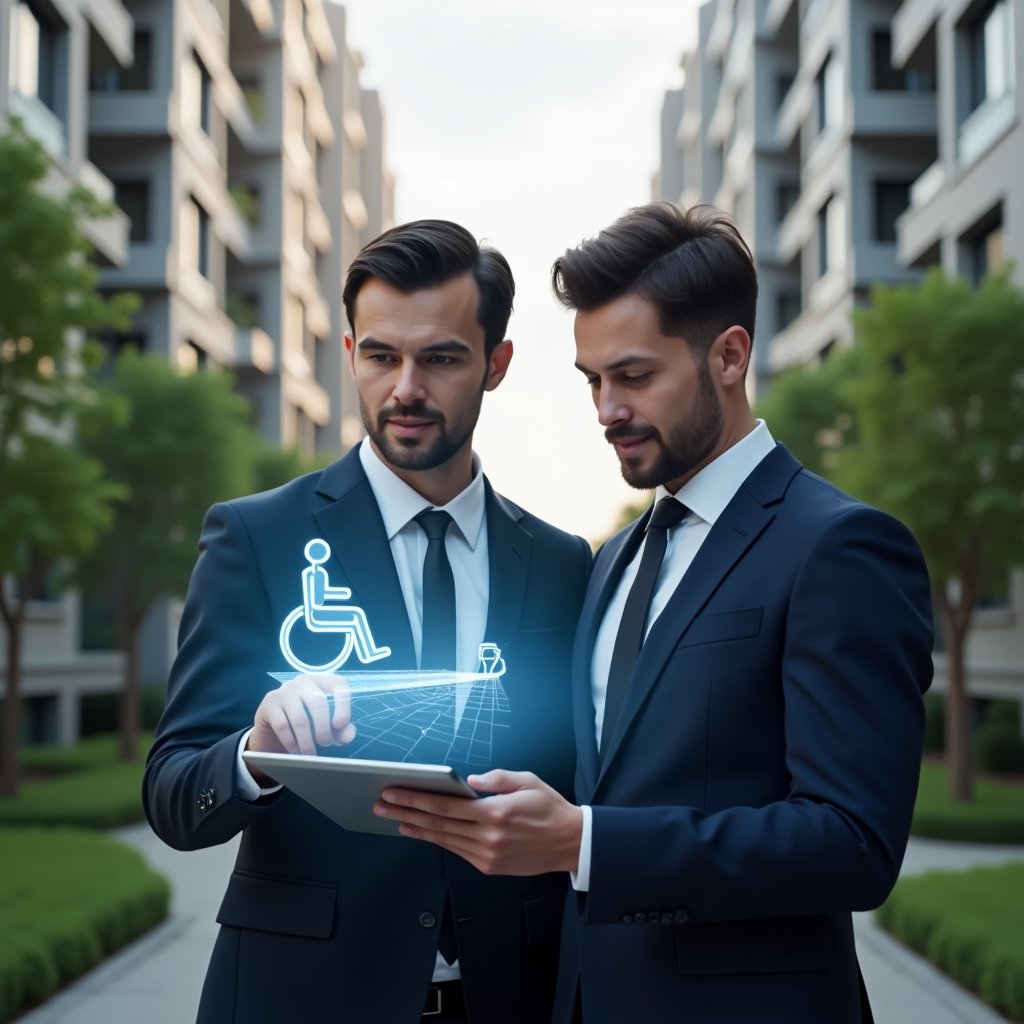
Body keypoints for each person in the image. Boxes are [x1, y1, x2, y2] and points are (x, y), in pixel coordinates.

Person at [374, 203, 935, 1024]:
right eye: (592, 381)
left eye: (634, 376)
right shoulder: (615, 560)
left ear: (730, 357)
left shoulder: (841, 547)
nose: (606, 410)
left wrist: (586, 843)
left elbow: (854, 844)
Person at [143, 219, 592, 1024]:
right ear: (350, 351)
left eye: (442, 358)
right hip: (303, 996)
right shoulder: (256, 538)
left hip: (511, 996)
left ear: (497, 365)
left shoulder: (564, 565)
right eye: (381, 355)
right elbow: (174, 795)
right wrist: (255, 755)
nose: (406, 388)